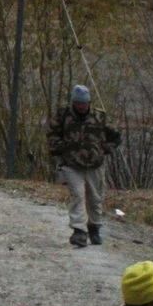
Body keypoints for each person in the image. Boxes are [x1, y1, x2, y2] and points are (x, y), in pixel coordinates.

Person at [51, 84, 121, 247]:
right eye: (78, 103)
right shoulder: (63, 115)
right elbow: (52, 134)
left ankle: (94, 227)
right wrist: (60, 151)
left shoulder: (99, 117)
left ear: (89, 102)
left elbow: (116, 136)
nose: (81, 106)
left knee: (95, 198)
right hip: (71, 164)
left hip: (95, 165)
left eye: (84, 103)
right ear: (73, 102)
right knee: (77, 195)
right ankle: (79, 231)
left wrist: (104, 150)